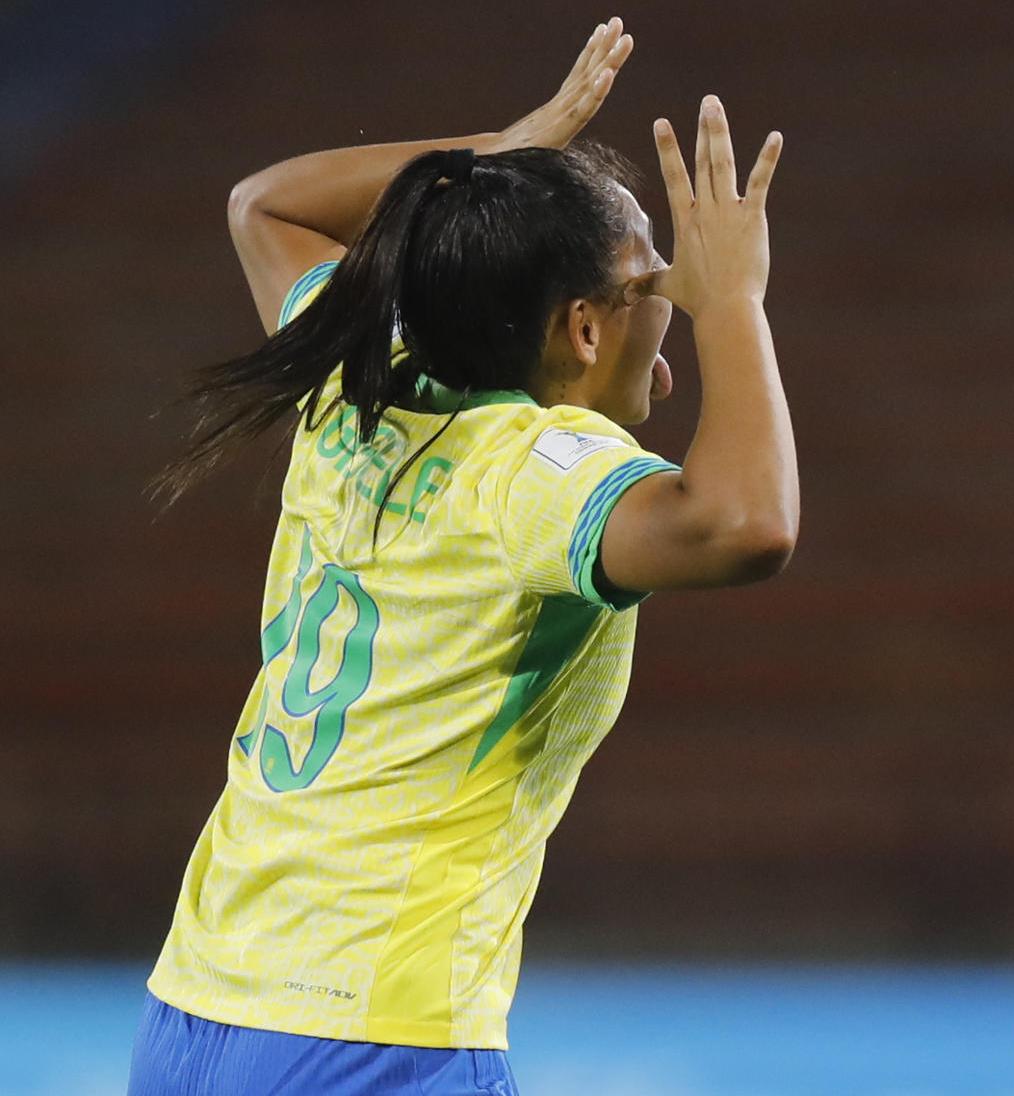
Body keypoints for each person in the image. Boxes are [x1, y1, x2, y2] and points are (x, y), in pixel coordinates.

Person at [130, 19, 797, 1095]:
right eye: (650, 284)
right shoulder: (534, 468)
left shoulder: (356, 376)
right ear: (581, 329)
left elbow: (266, 205)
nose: (668, 299)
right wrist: (736, 307)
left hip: (195, 1012)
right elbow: (745, 525)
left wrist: (493, 155)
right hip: (374, 1035)